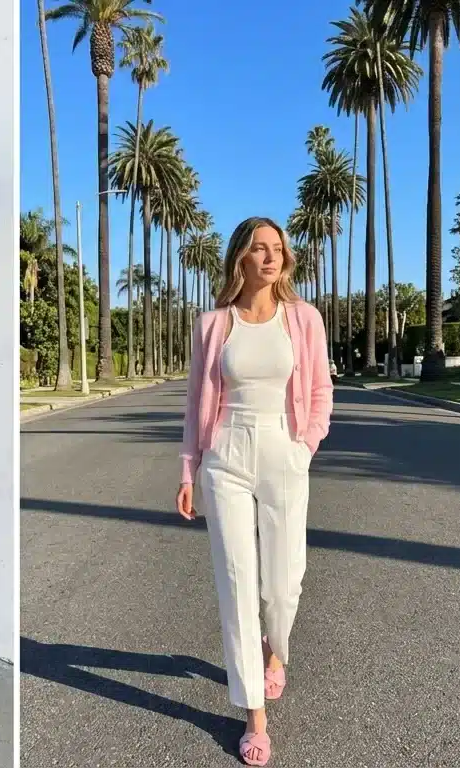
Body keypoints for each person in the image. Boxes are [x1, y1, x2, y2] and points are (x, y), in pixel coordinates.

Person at [176, 216, 332, 766]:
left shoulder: (304, 319)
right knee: (238, 584)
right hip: (226, 457)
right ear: (240, 257)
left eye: (278, 248)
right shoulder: (213, 324)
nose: (271, 257)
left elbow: (319, 390)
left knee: (283, 583)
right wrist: (190, 470)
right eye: (259, 248)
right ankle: (253, 716)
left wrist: (306, 444)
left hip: (285, 450)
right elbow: (197, 402)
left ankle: (274, 652)